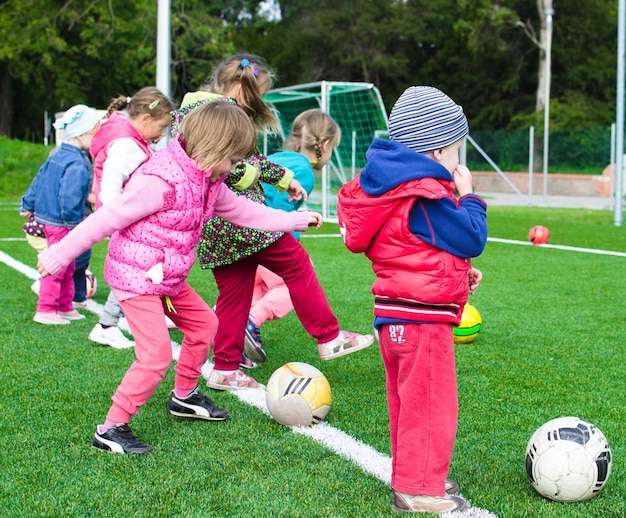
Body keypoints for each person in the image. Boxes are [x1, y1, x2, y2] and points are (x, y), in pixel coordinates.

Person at [36, 99, 323, 454]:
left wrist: (293, 220)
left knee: (206, 326)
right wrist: (59, 254)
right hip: (136, 278)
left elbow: (244, 212)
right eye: (234, 160)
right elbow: (107, 218)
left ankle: (184, 396)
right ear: (213, 148)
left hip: (166, 278)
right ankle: (111, 428)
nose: (236, 169)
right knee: (155, 355)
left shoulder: (209, 180)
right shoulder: (159, 181)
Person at [171, 53, 373, 392]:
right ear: (239, 87)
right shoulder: (214, 113)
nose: (258, 103)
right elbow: (227, 166)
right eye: (257, 95)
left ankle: (224, 367)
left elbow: (249, 159)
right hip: (241, 221)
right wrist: (257, 180)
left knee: (236, 294)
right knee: (296, 263)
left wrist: (284, 180)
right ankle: (329, 336)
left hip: (216, 228)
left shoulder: (196, 109)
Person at [337, 86, 487, 514]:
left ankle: (415, 474)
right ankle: (418, 489)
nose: (460, 161)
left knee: (408, 403)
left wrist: (458, 275)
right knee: (431, 404)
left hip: (396, 316)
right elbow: (471, 236)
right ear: (438, 150)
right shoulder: (424, 195)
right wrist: (470, 196)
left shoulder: (393, 190)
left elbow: (413, 249)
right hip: (421, 322)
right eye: (458, 150)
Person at [242, 109, 342, 365]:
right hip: (265, 238)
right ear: (326, 144)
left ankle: (227, 329)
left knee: (251, 289)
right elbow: (279, 210)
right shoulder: (305, 172)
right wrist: (294, 232)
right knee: (290, 285)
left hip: (241, 234)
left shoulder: (276, 158)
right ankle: (252, 321)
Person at [87, 87, 174, 350]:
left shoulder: (130, 140)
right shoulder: (128, 146)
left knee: (145, 268)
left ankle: (128, 319)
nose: (161, 136)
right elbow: (111, 186)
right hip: (127, 221)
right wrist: (119, 217)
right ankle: (106, 325)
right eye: (161, 127)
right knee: (135, 271)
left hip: (128, 219)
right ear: (145, 119)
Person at [21, 104, 102, 325]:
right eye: (95, 133)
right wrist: (75, 224)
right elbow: (70, 196)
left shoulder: (58, 154)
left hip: (52, 219)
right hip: (63, 222)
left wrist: (27, 202)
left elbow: (39, 178)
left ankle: (64, 306)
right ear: (84, 133)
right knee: (58, 265)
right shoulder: (77, 162)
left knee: (68, 264)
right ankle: (46, 309)